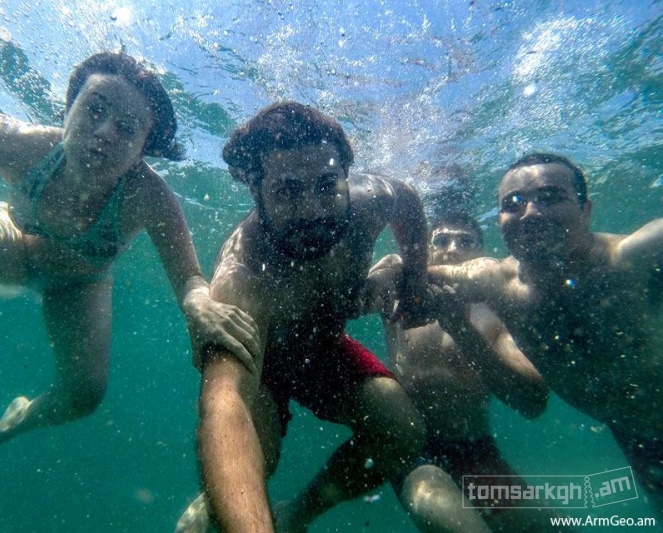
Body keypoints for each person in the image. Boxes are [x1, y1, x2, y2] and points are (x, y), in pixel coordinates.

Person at [0, 52, 260, 452]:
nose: (104, 132)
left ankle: (17, 421)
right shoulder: (20, 143)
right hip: (12, 244)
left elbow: (189, 277)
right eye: (94, 110)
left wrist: (198, 305)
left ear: (141, 150)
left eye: (126, 128)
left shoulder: (150, 196)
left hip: (79, 283)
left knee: (84, 396)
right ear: (68, 110)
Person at [178, 100, 475, 533]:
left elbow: (408, 201)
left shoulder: (369, 202)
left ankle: (298, 513)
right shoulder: (243, 277)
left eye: (326, 185)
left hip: (323, 349)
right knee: (256, 461)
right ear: (255, 191)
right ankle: (215, 505)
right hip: (263, 366)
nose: (313, 210)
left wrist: (414, 283)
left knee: (402, 429)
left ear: (345, 177)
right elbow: (227, 402)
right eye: (288, 191)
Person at [428, 153, 663, 515]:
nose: (531, 213)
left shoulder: (634, 259)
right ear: (500, 219)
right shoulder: (497, 282)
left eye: (550, 197)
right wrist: (391, 268)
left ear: (586, 209)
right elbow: (424, 273)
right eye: (513, 204)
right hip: (636, 438)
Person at [369, 211, 577, 532]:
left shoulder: (496, 310)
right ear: (426, 250)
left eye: (465, 242)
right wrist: (382, 275)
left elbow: (533, 402)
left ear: (479, 255)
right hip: (411, 447)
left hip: (476, 452)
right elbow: (373, 282)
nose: (452, 249)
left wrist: (460, 327)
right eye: (441, 241)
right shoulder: (400, 286)